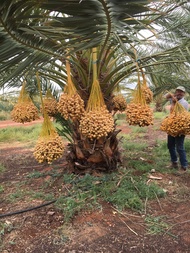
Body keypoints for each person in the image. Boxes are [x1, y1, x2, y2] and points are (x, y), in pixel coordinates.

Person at [166, 86, 189, 172]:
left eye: (181, 92)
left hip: (180, 127)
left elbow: (178, 114)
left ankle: (184, 165)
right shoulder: (173, 99)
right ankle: (174, 162)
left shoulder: (184, 103)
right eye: (178, 91)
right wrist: (172, 94)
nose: (179, 93)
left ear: (184, 94)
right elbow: (166, 96)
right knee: (170, 145)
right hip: (171, 126)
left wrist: (174, 102)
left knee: (180, 147)